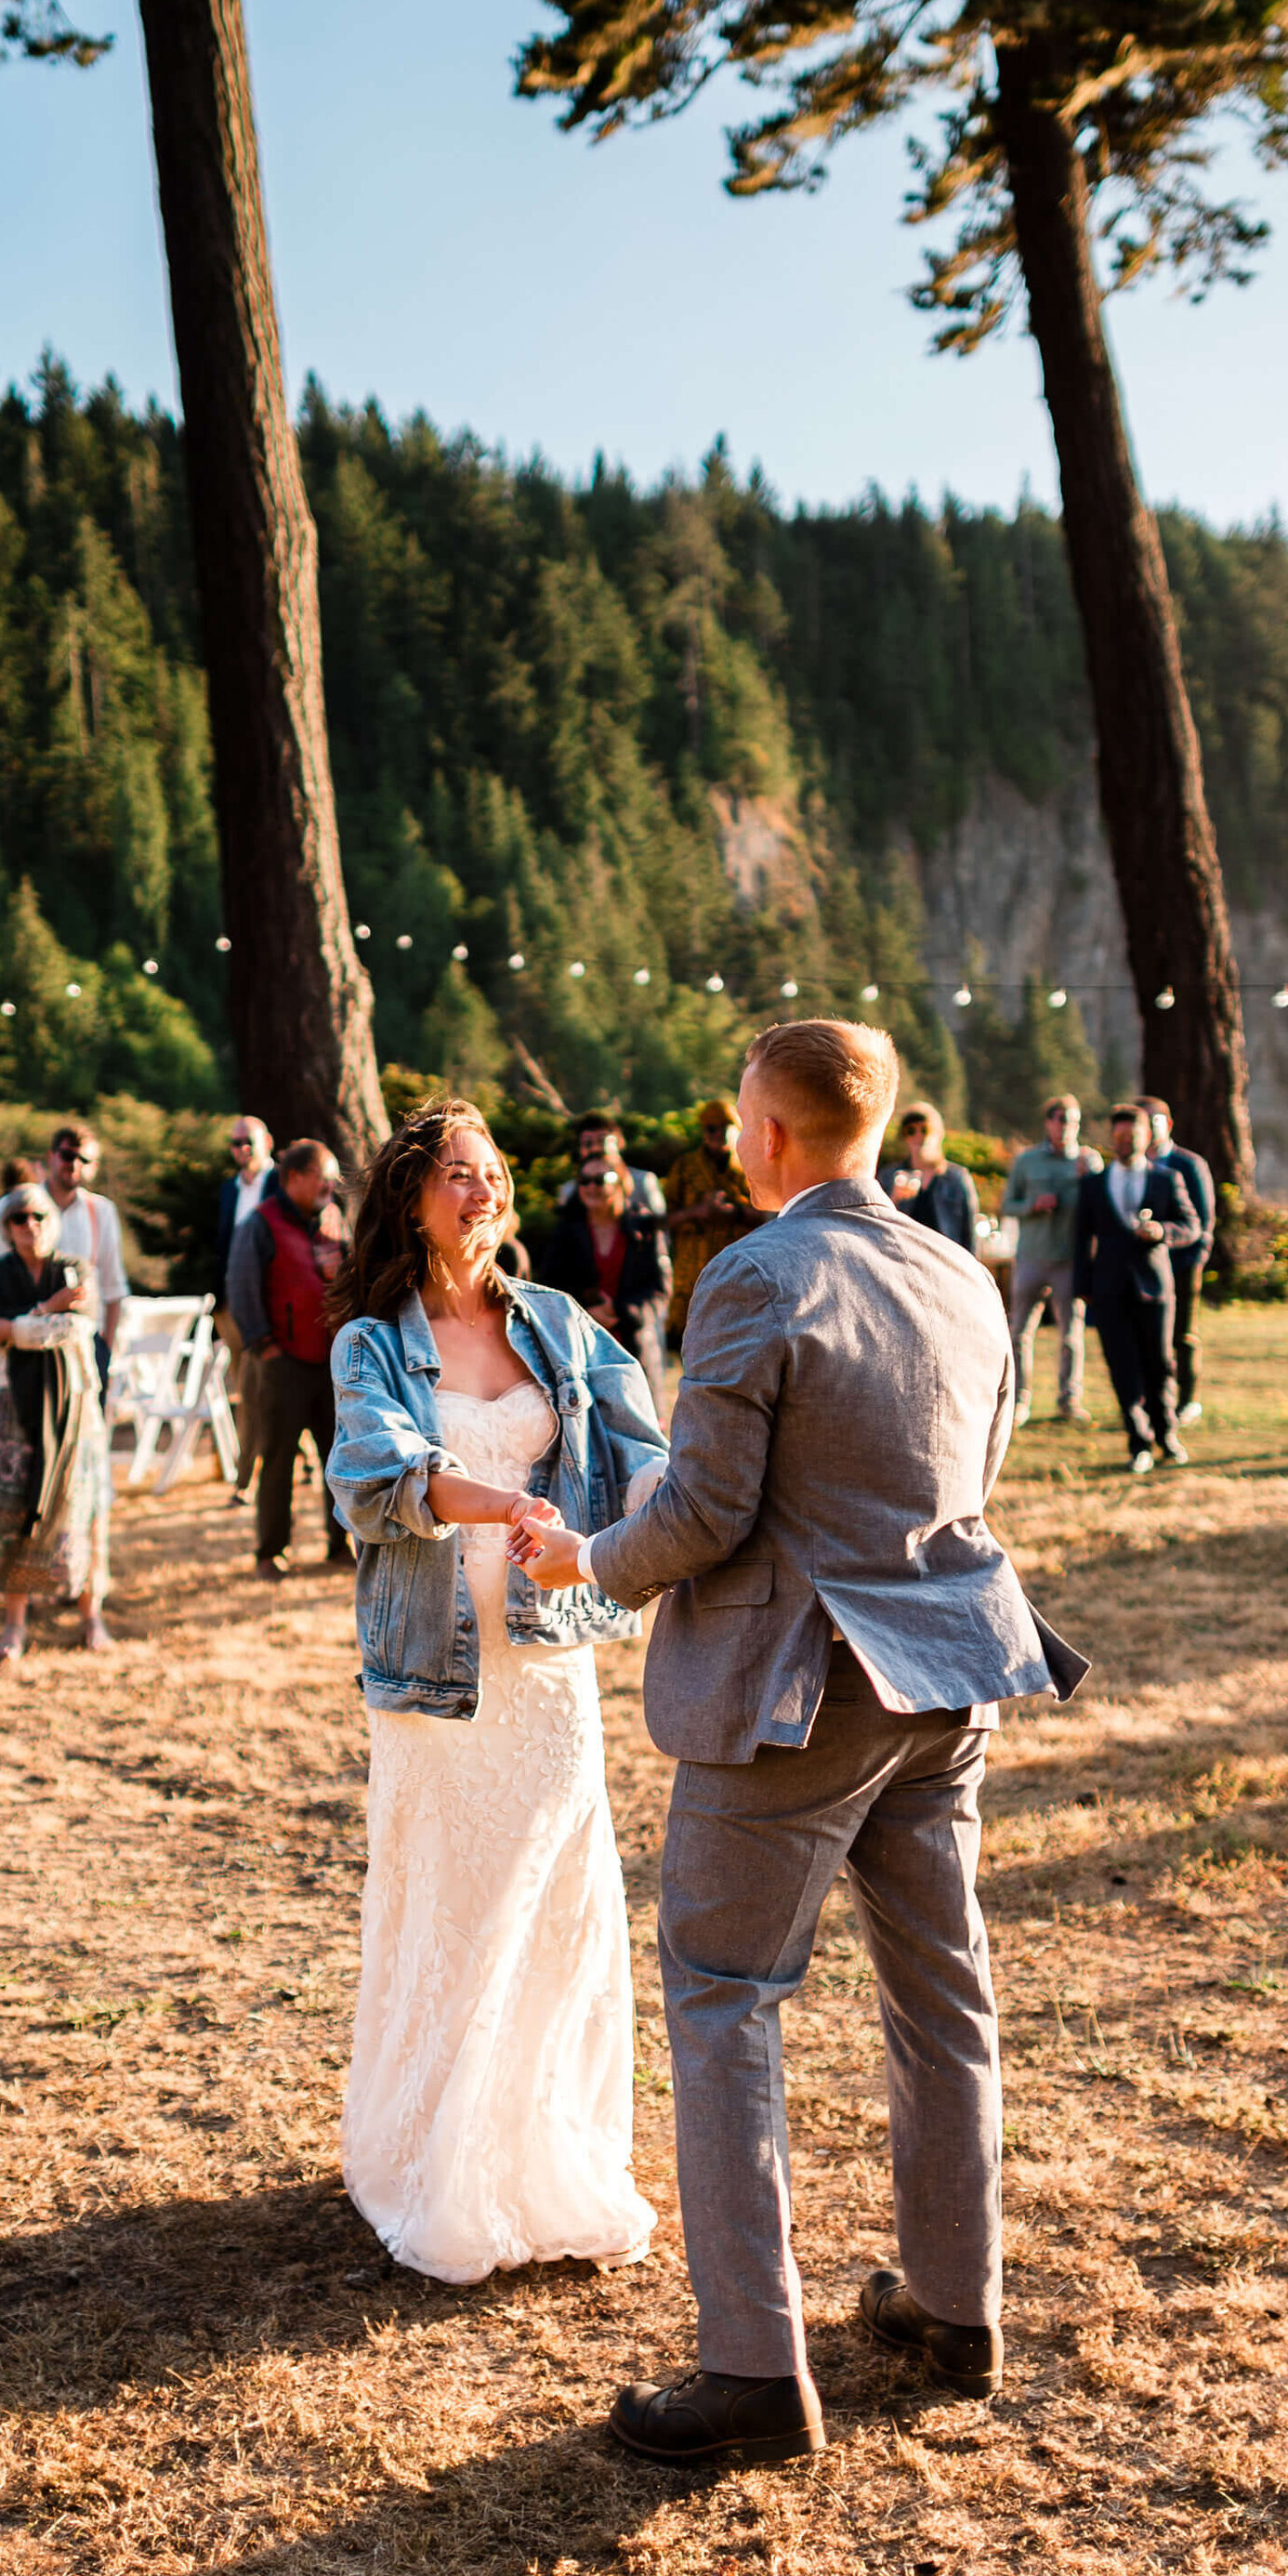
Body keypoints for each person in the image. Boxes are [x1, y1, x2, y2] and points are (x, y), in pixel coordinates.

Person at [512, 1019, 1088, 2470]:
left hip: (798, 1690)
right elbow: (980, 1463)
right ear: (883, 1129)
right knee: (941, 1990)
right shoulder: (961, 1270)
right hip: (951, 1671)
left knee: (722, 1994)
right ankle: (956, 2305)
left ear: (764, 1135)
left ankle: (754, 2367)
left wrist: (584, 1555)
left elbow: (703, 1510)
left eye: (738, 1131)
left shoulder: (758, 1273)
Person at [326, 1097, 668, 2286]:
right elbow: (372, 1477)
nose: (482, 1192)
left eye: (492, 1174)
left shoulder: (562, 1327)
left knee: (558, 1903)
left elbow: (646, 1454)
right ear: (412, 1198)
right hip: (434, 1669)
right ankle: (433, 2162)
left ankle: (547, 2155)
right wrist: (503, 1501)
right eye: (457, 1176)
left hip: (550, 1661)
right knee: (452, 1902)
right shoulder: (371, 1342)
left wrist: (639, 1532)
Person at [0, 1189, 112, 1660]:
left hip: (75, 1407)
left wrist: (19, 1328)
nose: (31, 1225)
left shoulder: (76, 1269)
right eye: (19, 1218)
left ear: (54, 1220)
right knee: (13, 1511)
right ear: (6, 1228)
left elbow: (78, 1329)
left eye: (40, 1216)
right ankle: (13, 1625)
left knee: (82, 1505)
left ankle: (92, 1617)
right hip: (11, 1407)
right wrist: (49, 1310)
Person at [228, 1139, 350, 1575]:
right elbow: (241, 1288)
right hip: (282, 1362)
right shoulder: (260, 1224)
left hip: (332, 1363)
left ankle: (341, 1546)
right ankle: (271, 1552)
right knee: (278, 1460)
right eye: (322, 1174)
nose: (330, 1184)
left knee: (341, 1459)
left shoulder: (334, 1219)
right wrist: (266, 1347)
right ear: (293, 1177)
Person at [1072, 1102, 1200, 1472]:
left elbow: (1190, 1224)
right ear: (1112, 1138)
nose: (1126, 1142)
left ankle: (1167, 1435)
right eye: (1120, 1136)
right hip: (1109, 1288)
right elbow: (1081, 1239)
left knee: (1159, 1364)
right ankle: (1138, 1441)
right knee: (1121, 1366)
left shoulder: (1165, 1179)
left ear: (1148, 1137)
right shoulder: (1094, 1185)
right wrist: (1083, 1286)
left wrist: (1162, 1232)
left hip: (1155, 1287)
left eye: (1134, 1136)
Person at [0, 1122, 127, 1385]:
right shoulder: (13, 1207)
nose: (74, 1164)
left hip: (83, 1344)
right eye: (68, 1155)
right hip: (24, 1344)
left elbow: (113, 1287)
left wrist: (106, 1350)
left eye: (84, 1159)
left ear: (94, 1167)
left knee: (88, 1426)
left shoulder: (102, 1212)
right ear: (51, 1156)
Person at [543, 1143, 671, 1400]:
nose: (591, 1187)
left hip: (635, 1348)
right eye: (584, 1180)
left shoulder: (644, 1227)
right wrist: (587, 1314)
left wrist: (622, 1312)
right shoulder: (566, 1231)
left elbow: (660, 1289)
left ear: (621, 1181)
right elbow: (549, 1285)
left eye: (600, 1180)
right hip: (579, 1351)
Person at [1002, 1097, 1101, 1423]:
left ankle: (1069, 1400)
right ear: (1048, 1123)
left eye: (1072, 1120)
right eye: (1060, 1119)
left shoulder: (1089, 1162)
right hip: (1031, 1257)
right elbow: (1008, 1205)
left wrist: (1089, 1179)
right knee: (1019, 1333)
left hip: (1069, 1261)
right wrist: (1032, 1204)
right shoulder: (1027, 1161)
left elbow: (1102, 1209)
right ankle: (1018, 1402)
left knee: (1071, 1335)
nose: (1066, 1126)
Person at [661, 1097, 757, 1346]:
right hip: (692, 1272)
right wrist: (697, 1212)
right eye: (711, 1128)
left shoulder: (754, 1164)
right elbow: (662, 1220)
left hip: (741, 1274)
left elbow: (774, 1215)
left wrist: (735, 1213)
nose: (718, 1134)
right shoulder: (684, 1168)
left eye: (726, 1127)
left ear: (738, 1127)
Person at [1143, 1097, 1216, 1426]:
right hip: (1144, 1267)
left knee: (1182, 1335)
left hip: (1183, 1264)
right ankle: (1154, 1400)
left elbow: (1204, 1219)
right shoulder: (1132, 1167)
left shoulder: (1189, 1165)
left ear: (1167, 1125)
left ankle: (1188, 1400)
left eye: (1152, 1122)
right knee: (1148, 1336)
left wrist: (1194, 1259)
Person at [214, 1113, 274, 1499]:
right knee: (245, 1391)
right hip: (231, 1304)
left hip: (267, 1306)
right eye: (236, 1143)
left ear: (266, 1141)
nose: (243, 1149)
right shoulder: (229, 1189)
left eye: (249, 1141)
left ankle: (245, 1480)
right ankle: (291, 1458)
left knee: (258, 1392)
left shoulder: (282, 1182)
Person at [881, 1101, 979, 1251]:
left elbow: (970, 1234)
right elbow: (877, 1226)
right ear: (904, 1137)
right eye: (911, 1131)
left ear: (938, 1133)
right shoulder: (890, 1176)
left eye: (925, 1130)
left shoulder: (956, 1178)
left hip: (946, 1262)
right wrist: (894, 1199)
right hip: (902, 1261)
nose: (918, 1136)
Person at [554, 1111, 666, 1217]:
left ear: (620, 1143)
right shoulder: (569, 1191)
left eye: (602, 1141)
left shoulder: (643, 1182)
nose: (595, 1149)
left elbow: (660, 1225)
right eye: (588, 1143)